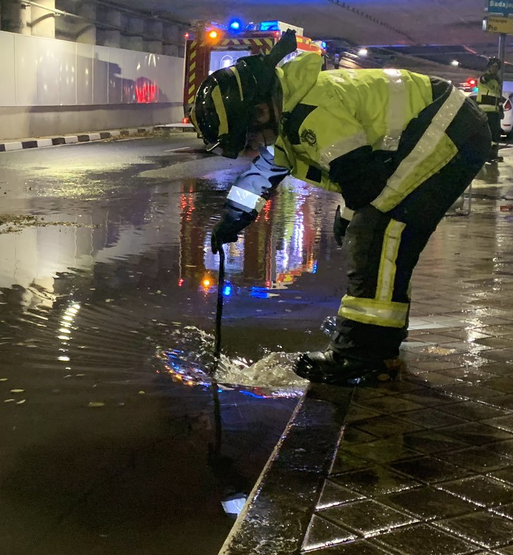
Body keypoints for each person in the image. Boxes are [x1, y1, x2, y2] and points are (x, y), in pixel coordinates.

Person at [189, 31, 490, 385]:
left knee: (377, 229)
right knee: (366, 231)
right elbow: (268, 169)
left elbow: (361, 182)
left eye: (249, 136)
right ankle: (379, 344)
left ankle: (360, 355)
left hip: (448, 125)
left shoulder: (313, 111)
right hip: (437, 126)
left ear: (260, 110)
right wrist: (233, 219)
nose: (253, 145)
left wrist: (353, 219)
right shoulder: (287, 112)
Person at [476, 58, 504, 162]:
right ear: (489, 67)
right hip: (485, 110)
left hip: (495, 111)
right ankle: (485, 155)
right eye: (493, 66)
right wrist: (492, 75)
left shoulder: (497, 81)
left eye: (497, 67)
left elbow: (498, 96)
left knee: (495, 134)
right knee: (486, 134)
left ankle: (493, 154)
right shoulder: (484, 78)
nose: (495, 69)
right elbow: (484, 79)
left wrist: (501, 109)